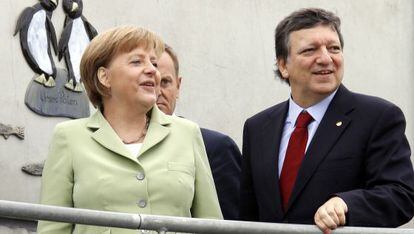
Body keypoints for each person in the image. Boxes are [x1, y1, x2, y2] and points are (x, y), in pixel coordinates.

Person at [239, 8, 414, 233]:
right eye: (310, 50)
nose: (325, 58)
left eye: (334, 48)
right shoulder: (258, 128)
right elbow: (247, 214)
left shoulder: (378, 117)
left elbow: (401, 194)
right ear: (283, 66)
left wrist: (346, 204)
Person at [37, 25, 222, 234]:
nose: (153, 70)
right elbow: (52, 228)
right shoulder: (69, 137)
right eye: (136, 61)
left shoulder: (187, 133)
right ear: (104, 77)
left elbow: (211, 224)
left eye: (153, 62)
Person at [156, 45, 242, 220]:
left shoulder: (214, 147)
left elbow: (232, 222)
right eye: (149, 83)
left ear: (178, 86)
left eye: (165, 82)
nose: (157, 92)